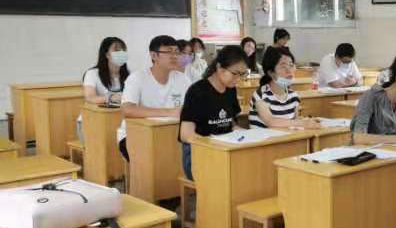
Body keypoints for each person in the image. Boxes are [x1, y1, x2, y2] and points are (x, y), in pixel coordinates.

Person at [117, 35, 192, 162]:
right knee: (159, 156)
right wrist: (170, 112)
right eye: (169, 52)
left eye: (177, 52)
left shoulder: (183, 79)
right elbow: (127, 110)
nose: (174, 56)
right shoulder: (137, 78)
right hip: (136, 135)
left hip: (171, 134)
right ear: (154, 55)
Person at [179, 45, 248, 180]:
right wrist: (215, 143)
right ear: (219, 68)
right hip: (198, 154)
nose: (238, 79)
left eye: (242, 74)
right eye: (235, 73)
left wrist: (251, 135)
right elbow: (185, 134)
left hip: (226, 149)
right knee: (236, 174)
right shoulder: (197, 91)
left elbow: (232, 125)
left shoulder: (230, 89)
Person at [249, 47, 321, 130]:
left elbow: (295, 124)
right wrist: (303, 123)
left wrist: (307, 121)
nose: (289, 71)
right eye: (283, 66)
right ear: (271, 72)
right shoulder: (261, 95)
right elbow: (271, 122)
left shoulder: (293, 96)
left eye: (291, 65)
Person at [83, 37, 129, 105]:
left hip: (123, 110)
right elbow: (90, 98)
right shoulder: (92, 73)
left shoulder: (130, 74)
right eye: (117, 50)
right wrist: (111, 98)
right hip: (98, 111)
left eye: (123, 50)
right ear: (107, 55)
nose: (121, 53)